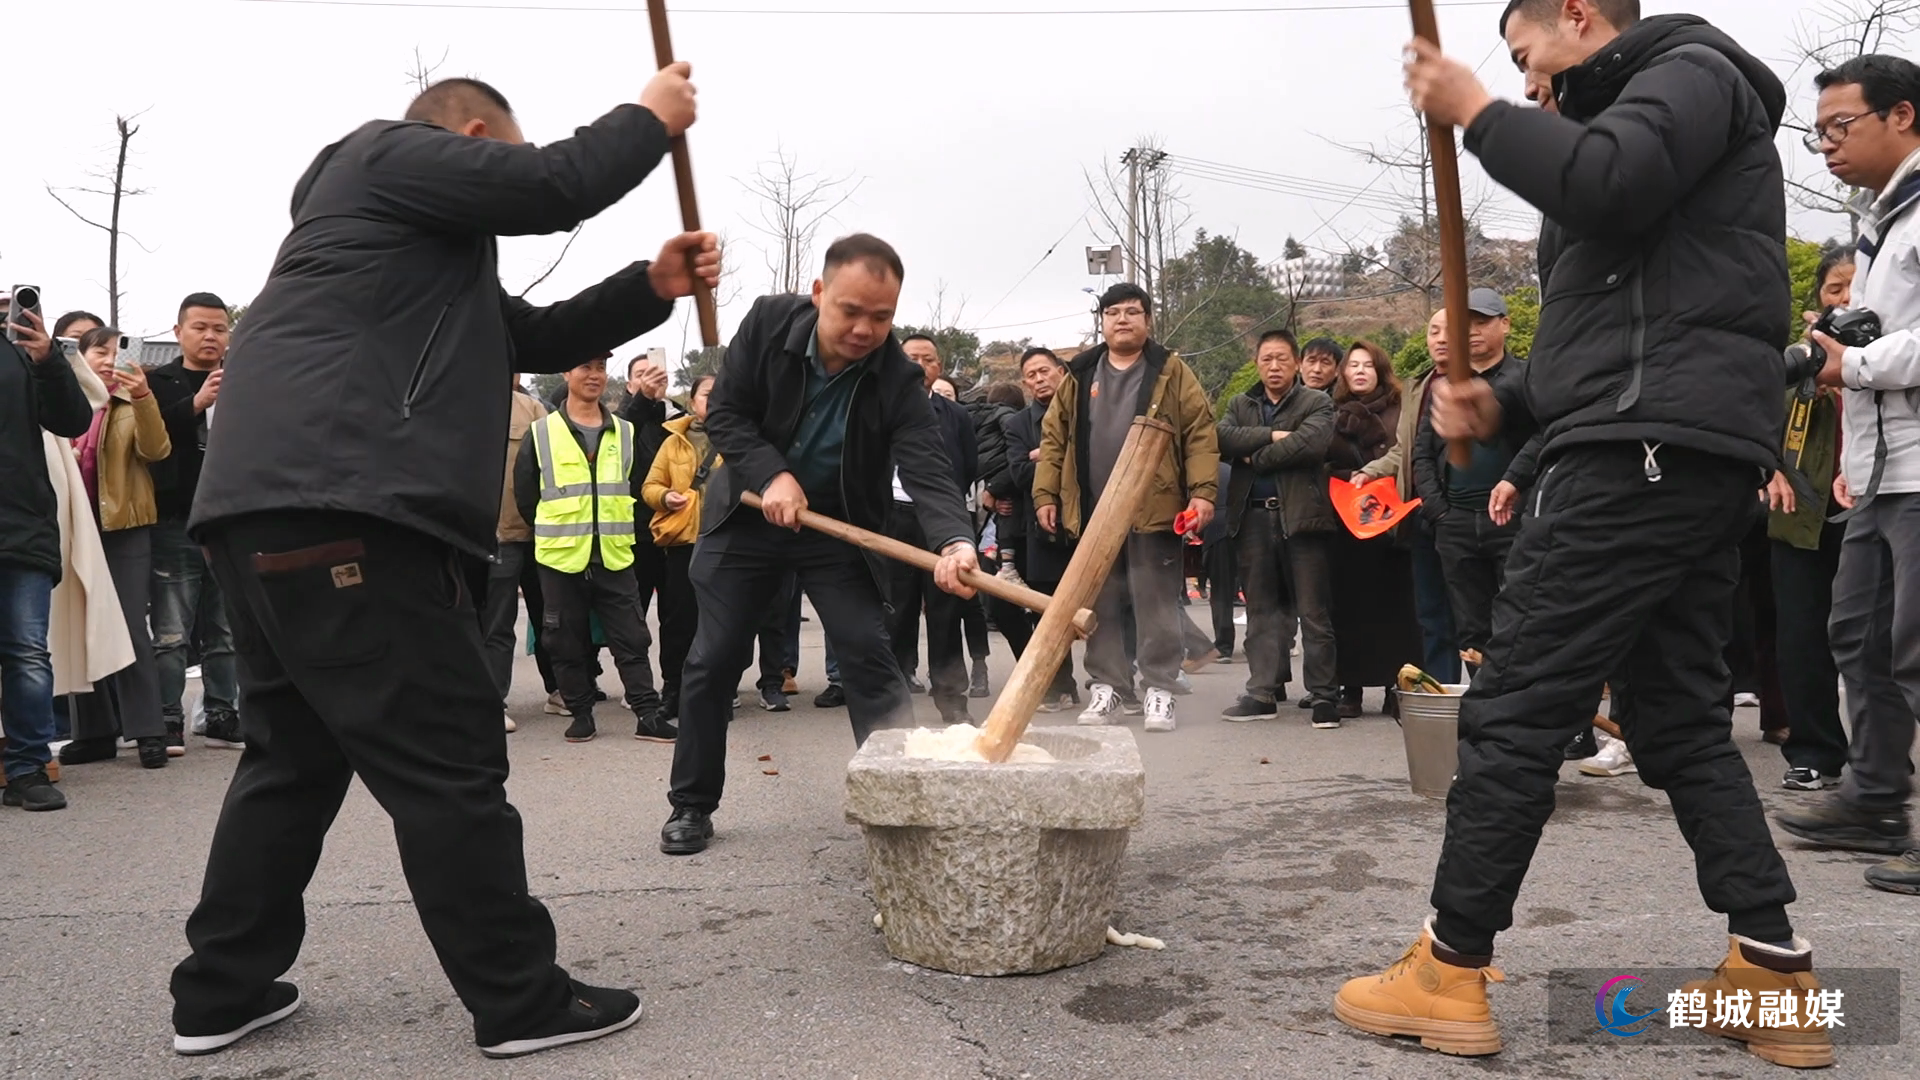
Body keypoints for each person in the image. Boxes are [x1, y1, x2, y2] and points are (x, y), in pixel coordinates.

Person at [169, 70, 717, 1059]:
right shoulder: (382, 153)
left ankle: (220, 990)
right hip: (349, 508)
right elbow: (556, 184)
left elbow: (529, 334)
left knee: (291, 760)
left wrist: (652, 285)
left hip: (269, 512)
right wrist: (652, 118)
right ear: (470, 140)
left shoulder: (404, 253)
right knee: (450, 762)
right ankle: (519, 998)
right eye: (502, 155)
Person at [1347, 1, 1828, 1066]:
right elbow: (1600, 340)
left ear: (1578, 14)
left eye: (1526, 59)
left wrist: (1472, 110)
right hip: (1662, 450)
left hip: (1636, 459)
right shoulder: (1635, 133)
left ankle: (1449, 970)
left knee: (1516, 708)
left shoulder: (1690, 73)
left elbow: (1606, 183)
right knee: (1679, 720)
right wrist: (1502, 402)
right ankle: (1773, 971)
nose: (1525, 85)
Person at [664, 234, 978, 856]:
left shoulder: (897, 376)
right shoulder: (768, 324)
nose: (864, 330)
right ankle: (691, 803)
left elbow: (927, 466)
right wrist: (773, 474)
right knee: (714, 659)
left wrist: (954, 540)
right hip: (748, 517)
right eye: (850, 311)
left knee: (868, 652)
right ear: (818, 293)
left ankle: (899, 803)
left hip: (835, 527)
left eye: (881, 317)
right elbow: (726, 414)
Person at [1776, 55, 1920, 897]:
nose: (1826, 144)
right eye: (1818, 132)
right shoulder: (1880, 221)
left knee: (1915, 649)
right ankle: (1873, 798)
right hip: (1878, 472)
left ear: (1902, 115)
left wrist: (1853, 360)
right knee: (1860, 637)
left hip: (1919, 470)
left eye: (1841, 125)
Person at [1037, 282, 1218, 733]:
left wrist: (1202, 492)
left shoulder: (1170, 370)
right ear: (1102, 321)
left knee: (1157, 602)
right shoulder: (1080, 373)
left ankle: (1160, 687)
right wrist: (1046, 494)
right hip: (1093, 510)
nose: (1122, 319)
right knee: (1100, 603)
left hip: (1152, 509)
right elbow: (1054, 437)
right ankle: (1108, 688)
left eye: (1132, 312)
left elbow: (1199, 432)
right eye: (1113, 312)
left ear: (1148, 320)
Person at [514, 354, 676, 744]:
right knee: (564, 639)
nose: (594, 375)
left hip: (614, 554)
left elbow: (632, 485)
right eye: (585, 367)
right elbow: (526, 495)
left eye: (601, 368)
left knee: (632, 637)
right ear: (566, 372)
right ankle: (581, 713)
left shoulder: (624, 431)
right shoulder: (541, 433)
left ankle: (647, 714)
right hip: (561, 556)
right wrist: (561, 531)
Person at [1763, 249, 1854, 792]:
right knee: (1801, 635)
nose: (1844, 298)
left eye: (1854, 287)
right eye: (1834, 288)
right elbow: (1755, 418)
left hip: (1875, 507)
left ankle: (1883, 754)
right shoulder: (1795, 358)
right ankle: (1815, 751)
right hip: (1800, 512)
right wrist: (1768, 467)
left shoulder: (1901, 352)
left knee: (1876, 639)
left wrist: (1853, 373)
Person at [61, 327, 173, 769]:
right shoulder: (64, 402)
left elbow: (157, 449)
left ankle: (148, 730)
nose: (109, 360)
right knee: (78, 624)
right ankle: (93, 733)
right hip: (74, 526)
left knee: (128, 626)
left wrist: (143, 396)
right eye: (99, 351)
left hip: (125, 526)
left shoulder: (129, 401)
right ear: (80, 357)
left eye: (116, 351)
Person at [1217, 330, 1340, 728]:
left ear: (1296, 363)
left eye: (1282, 359)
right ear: (1256, 363)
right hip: (1251, 518)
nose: (1274, 367)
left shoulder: (1316, 401)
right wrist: (1270, 435)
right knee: (1261, 611)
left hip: (1303, 518)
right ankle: (1262, 693)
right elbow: (1221, 438)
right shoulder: (1240, 403)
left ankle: (1324, 696)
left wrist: (1255, 457)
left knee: (1313, 611)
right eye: (1267, 359)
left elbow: (1311, 445)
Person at [2, 304, 94, 811]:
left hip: (22, 523)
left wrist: (48, 359)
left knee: (27, 653)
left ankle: (27, 768)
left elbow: (72, 419)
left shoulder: (19, 347)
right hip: (24, 521)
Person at [1412, 290, 1528, 675]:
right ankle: (1484, 700)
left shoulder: (1526, 378)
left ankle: (1518, 700)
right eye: (1466, 325)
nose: (1473, 332)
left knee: (1520, 619)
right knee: (1472, 629)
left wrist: (1515, 481)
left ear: (1505, 324)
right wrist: (1440, 512)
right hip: (1456, 522)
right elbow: (1422, 452)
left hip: (1512, 521)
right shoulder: (1447, 385)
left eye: (1482, 322)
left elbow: (1542, 437)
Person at [147, 293, 241, 752]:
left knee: (227, 629)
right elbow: (149, 436)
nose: (210, 336)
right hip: (175, 518)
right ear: (178, 331)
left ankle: (222, 713)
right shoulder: (157, 381)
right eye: (200, 327)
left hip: (230, 521)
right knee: (171, 631)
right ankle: (167, 717)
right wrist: (196, 403)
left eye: (219, 329)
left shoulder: (244, 378)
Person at [1358, 313, 1459, 686]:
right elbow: (1405, 449)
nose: (1441, 338)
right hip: (1418, 512)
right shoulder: (1417, 386)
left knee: (1474, 614)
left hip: (1464, 513)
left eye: (1450, 331)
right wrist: (1371, 471)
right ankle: (1443, 692)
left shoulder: (1479, 381)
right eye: (1434, 331)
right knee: (1432, 614)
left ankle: (1489, 699)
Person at [887, 339, 980, 725]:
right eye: (912, 358)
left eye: (928, 360)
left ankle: (951, 698)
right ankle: (892, 697)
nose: (920, 365)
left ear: (939, 368)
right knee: (895, 610)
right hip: (891, 518)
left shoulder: (955, 414)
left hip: (939, 522)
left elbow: (968, 464)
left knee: (945, 611)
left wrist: (949, 516)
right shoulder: (878, 407)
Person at [1326, 341, 1420, 719]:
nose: (1360, 371)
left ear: (1381, 370)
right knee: (1349, 607)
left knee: (1398, 609)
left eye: (1368, 365)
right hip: (1346, 521)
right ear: (1344, 373)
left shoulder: (1402, 408)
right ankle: (1350, 687)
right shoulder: (1331, 411)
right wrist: (1346, 477)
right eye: (1353, 365)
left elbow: (1407, 456)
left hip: (1392, 519)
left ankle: (1396, 687)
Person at [1000, 347, 1080, 713]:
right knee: (1048, 611)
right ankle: (1060, 685)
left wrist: (1044, 454)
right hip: (1042, 528)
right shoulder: (1017, 425)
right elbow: (1019, 474)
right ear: (1024, 383)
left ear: (1061, 372)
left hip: (1087, 521)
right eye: (1031, 375)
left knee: (1106, 605)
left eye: (1044, 371)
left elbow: (1091, 462)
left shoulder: (1085, 413)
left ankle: (1113, 683)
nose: (1039, 379)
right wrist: (1057, 457)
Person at [643, 374, 718, 727]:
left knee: (720, 623)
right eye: (707, 394)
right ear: (692, 401)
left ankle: (717, 690)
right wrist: (664, 496)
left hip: (725, 544)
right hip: (684, 544)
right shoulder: (674, 440)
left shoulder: (741, 438)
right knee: (677, 621)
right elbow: (650, 485)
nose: (715, 400)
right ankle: (673, 688)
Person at [482, 377, 556, 732]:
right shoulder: (458, 401)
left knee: (547, 618)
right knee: (493, 623)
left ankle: (559, 690)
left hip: (530, 531)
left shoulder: (533, 409)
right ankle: (489, 701)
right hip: (484, 533)